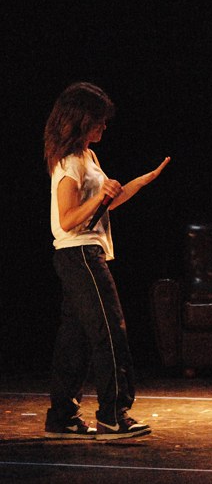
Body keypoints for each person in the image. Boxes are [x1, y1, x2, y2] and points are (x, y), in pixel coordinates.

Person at [43, 82, 170, 440]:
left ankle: (62, 416)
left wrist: (139, 183)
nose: (103, 126)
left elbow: (105, 203)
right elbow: (68, 219)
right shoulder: (69, 162)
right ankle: (113, 416)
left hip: (82, 253)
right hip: (80, 254)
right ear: (81, 120)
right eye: (99, 120)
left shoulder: (88, 156)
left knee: (76, 337)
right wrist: (101, 196)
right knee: (110, 331)